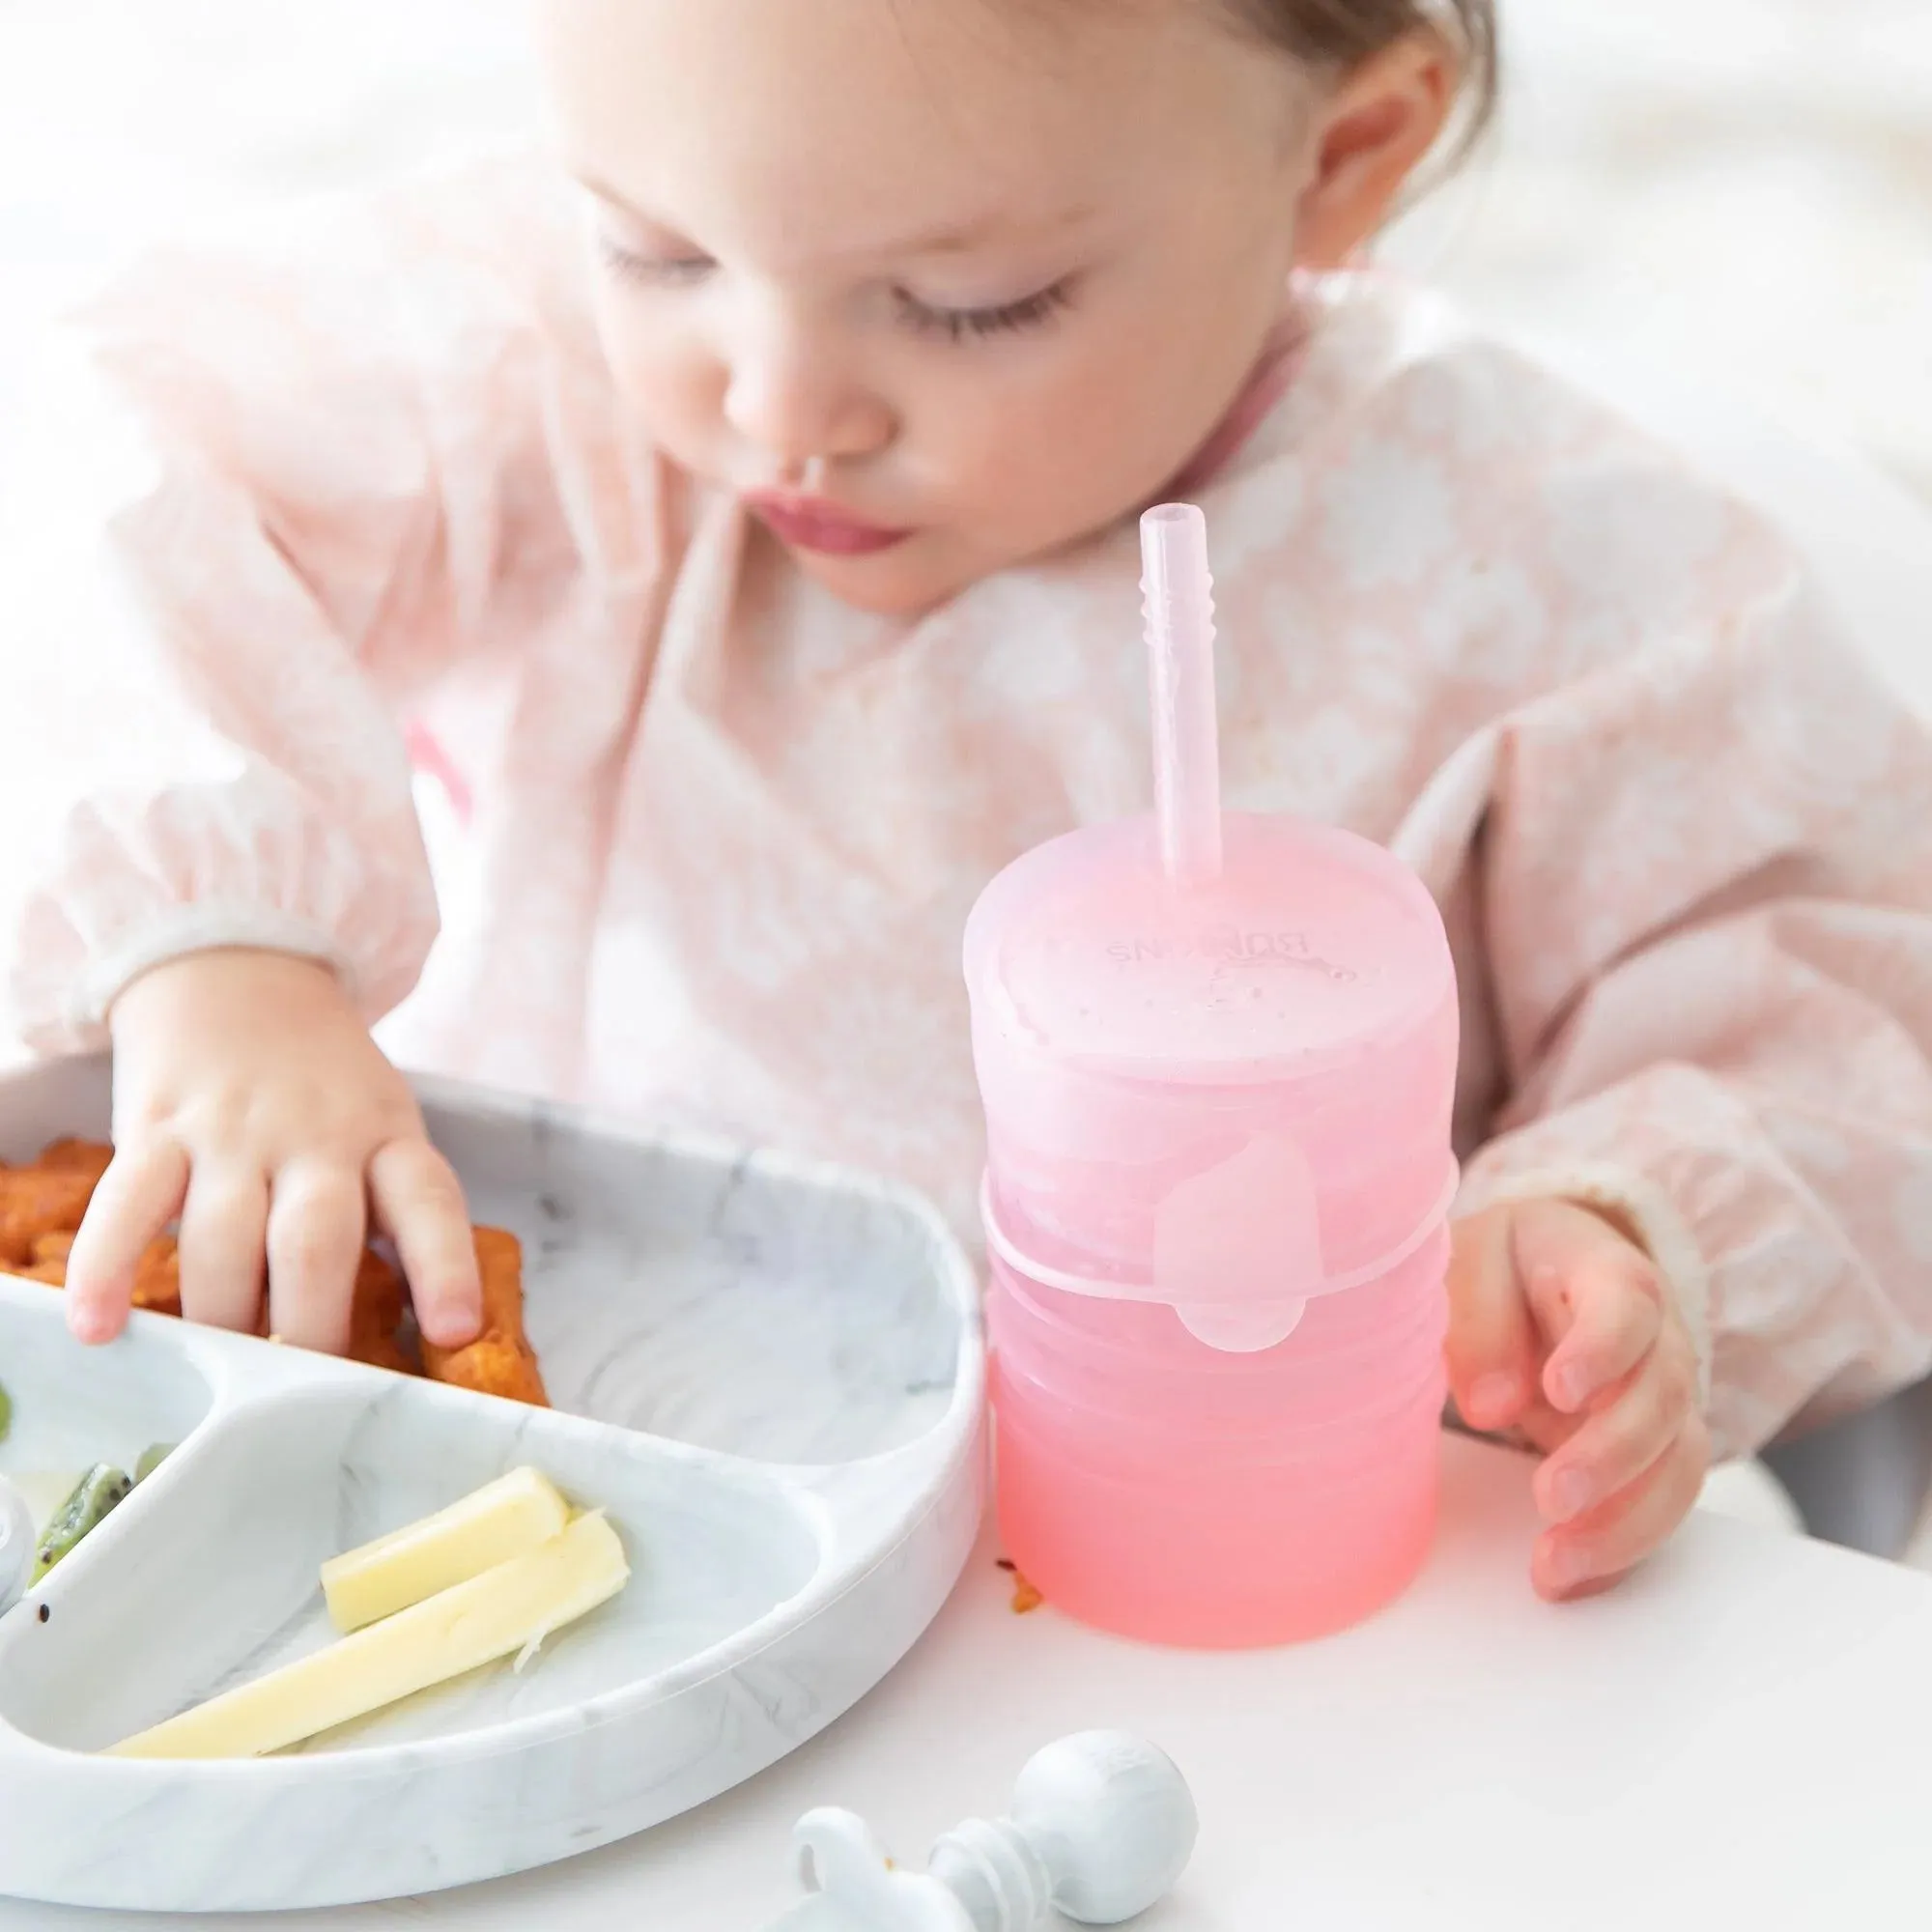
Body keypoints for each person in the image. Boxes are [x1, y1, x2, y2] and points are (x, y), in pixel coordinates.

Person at [6, 0, 1932, 1605]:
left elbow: (1837, 1008)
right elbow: (106, 448)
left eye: (966, 301)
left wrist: (1618, 1223)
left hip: (1197, 1607)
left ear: (1342, 160)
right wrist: (219, 948)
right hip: (527, 1504)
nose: (778, 404)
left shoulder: (1550, 580)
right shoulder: (537, 379)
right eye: (656, 247)